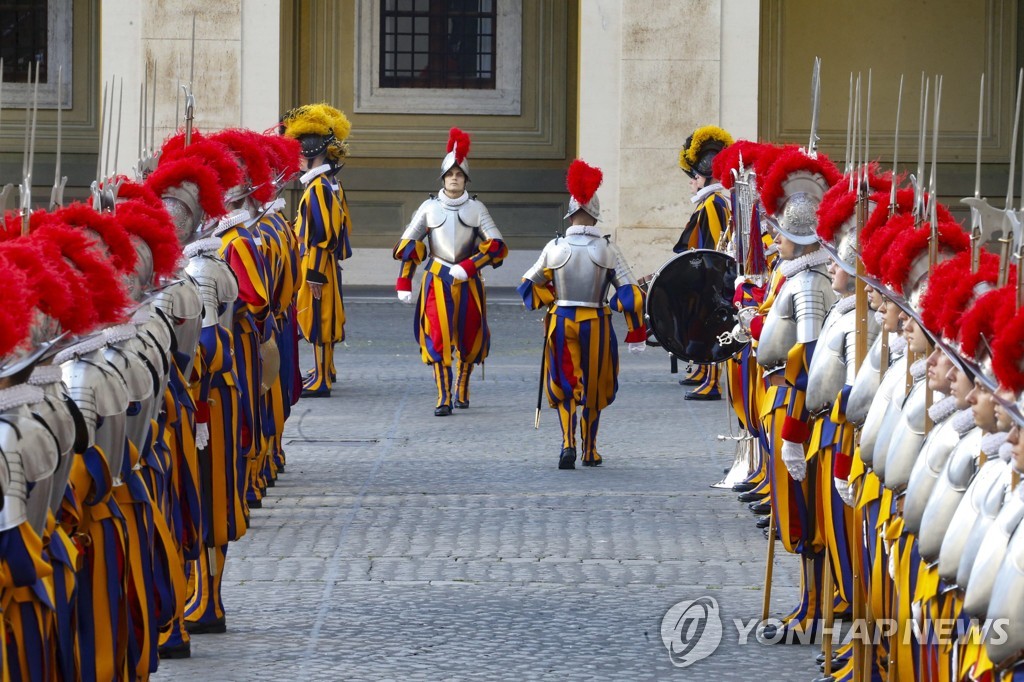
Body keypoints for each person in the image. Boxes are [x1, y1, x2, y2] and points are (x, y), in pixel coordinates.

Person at [517, 159, 646, 469]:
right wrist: (634, 329)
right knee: (594, 385)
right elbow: (631, 296)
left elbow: (525, 287)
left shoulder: (555, 246)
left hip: (561, 322)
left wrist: (551, 298)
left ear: (571, 213)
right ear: (595, 214)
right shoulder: (607, 249)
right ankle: (590, 450)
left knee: (564, 383)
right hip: (597, 324)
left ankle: (567, 444)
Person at [393, 128, 508, 416]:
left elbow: (496, 246)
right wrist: (404, 280)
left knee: (470, 336)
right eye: (450, 174)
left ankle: (462, 385)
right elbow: (409, 244)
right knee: (438, 335)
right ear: (443, 178)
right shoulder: (429, 207)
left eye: (459, 174)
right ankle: (443, 395)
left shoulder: (477, 207)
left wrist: (469, 266)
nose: (454, 178)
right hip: (436, 279)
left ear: (466, 179)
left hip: (468, 281)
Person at [279, 103, 353, 398]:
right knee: (322, 318)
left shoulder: (318, 188)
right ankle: (326, 369)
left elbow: (322, 235)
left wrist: (313, 274)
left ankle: (323, 379)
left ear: (310, 156)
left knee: (318, 320)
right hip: (321, 263)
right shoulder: (325, 184)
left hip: (316, 264)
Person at [674, 125, 733, 400]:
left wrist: (704, 278)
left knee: (712, 322)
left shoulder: (712, 202)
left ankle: (712, 381)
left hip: (713, 272)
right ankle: (702, 371)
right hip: (709, 270)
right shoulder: (714, 199)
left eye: (695, 175)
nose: (691, 181)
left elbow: (711, 245)